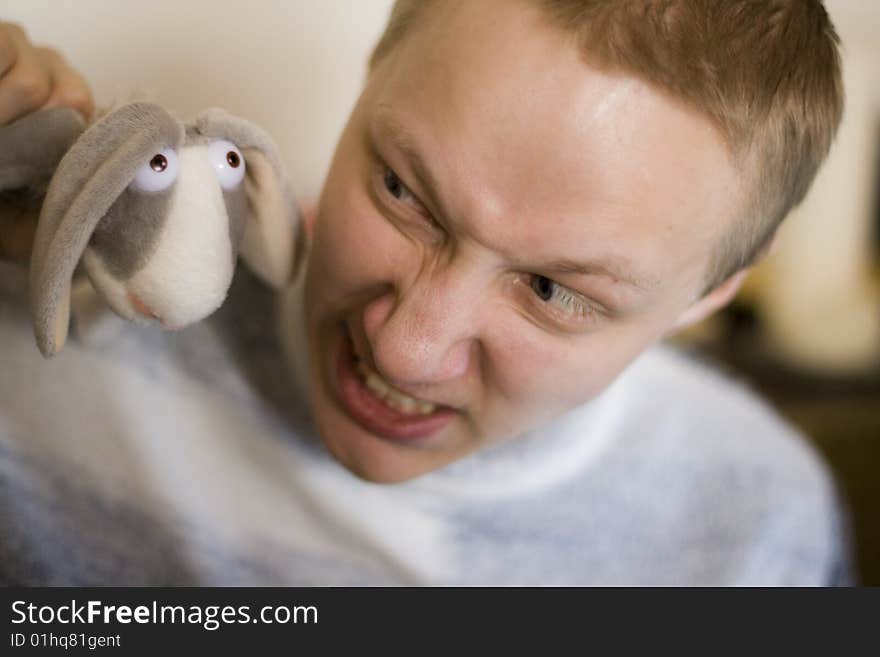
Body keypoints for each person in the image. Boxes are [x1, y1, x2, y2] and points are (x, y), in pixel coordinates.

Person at [0, 0, 851, 585]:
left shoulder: (762, 531)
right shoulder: (59, 312)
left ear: (717, 287)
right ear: (376, 65)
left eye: (552, 290)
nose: (404, 346)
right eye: (404, 193)